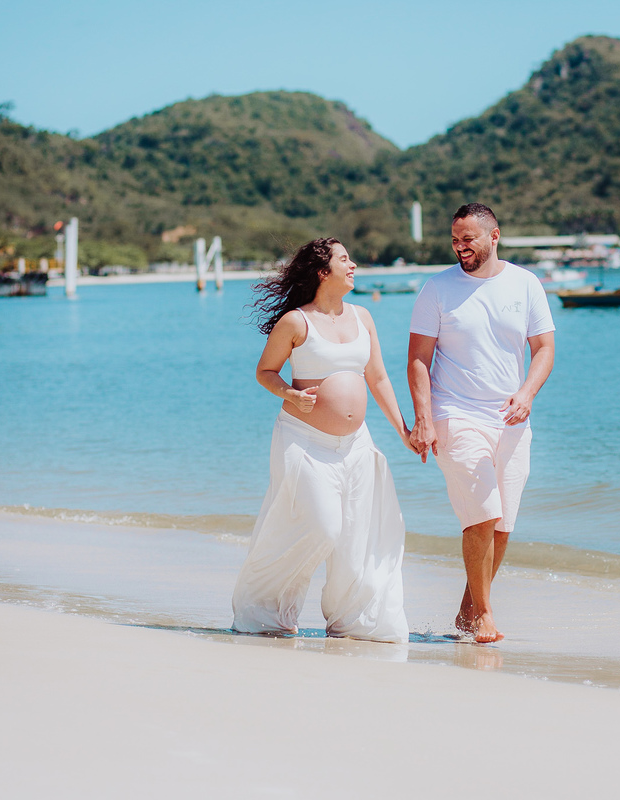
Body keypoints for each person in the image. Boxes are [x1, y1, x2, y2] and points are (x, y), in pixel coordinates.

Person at [232, 237, 412, 643]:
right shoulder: (297, 322)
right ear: (322, 272)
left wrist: (403, 430)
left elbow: (378, 377)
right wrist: (290, 394)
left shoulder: (363, 317)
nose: (353, 265)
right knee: (323, 527)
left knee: (355, 536)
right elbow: (265, 371)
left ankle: (351, 623)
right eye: (344, 259)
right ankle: (266, 611)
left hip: (357, 445)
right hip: (305, 439)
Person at [407, 203, 556, 643]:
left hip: (510, 418)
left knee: (503, 524)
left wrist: (527, 394)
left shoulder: (525, 284)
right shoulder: (437, 289)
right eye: (455, 240)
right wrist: (423, 419)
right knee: (482, 515)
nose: (460, 247)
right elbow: (418, 359)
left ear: (494, 236)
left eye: (468, 238)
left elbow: (544, 349)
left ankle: (467, 611)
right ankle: (486, 615)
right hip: (455, 414)